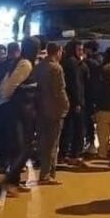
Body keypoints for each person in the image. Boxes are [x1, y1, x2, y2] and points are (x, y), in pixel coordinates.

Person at [0, 36, 40, 196]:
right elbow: (8, 86)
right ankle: (10, 182)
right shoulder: (25, 64)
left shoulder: (21, 62)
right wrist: (4, 99)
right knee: (23, 148)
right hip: (20, 112)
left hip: (24, 111)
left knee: (22, 148)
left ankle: (14, 181)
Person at [34, 43, 70, 183]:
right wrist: (66, 105)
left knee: (43, 142)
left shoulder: (39, 66)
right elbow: (59, 90)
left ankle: (47, 172)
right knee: (52, 143)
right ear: (58, 51)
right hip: (54, 109)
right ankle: (47, 174)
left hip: (40, 108)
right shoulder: (56, 68)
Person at [60, 39, 86, 165]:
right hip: (75, 101)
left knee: (67, 129)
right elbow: (76, 85)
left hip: (68, 100)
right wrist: (78, 102)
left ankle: (64, 154)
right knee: (77, 129)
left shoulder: (66, 62)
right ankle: (74, 154)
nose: (81, 52)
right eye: (79, 50)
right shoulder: (73, 63)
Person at [83, 40, 101, 155]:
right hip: (97, 94)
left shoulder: (87, 62)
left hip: (88, 94)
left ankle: (91, 143)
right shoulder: (100, 60)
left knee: (88, 120)